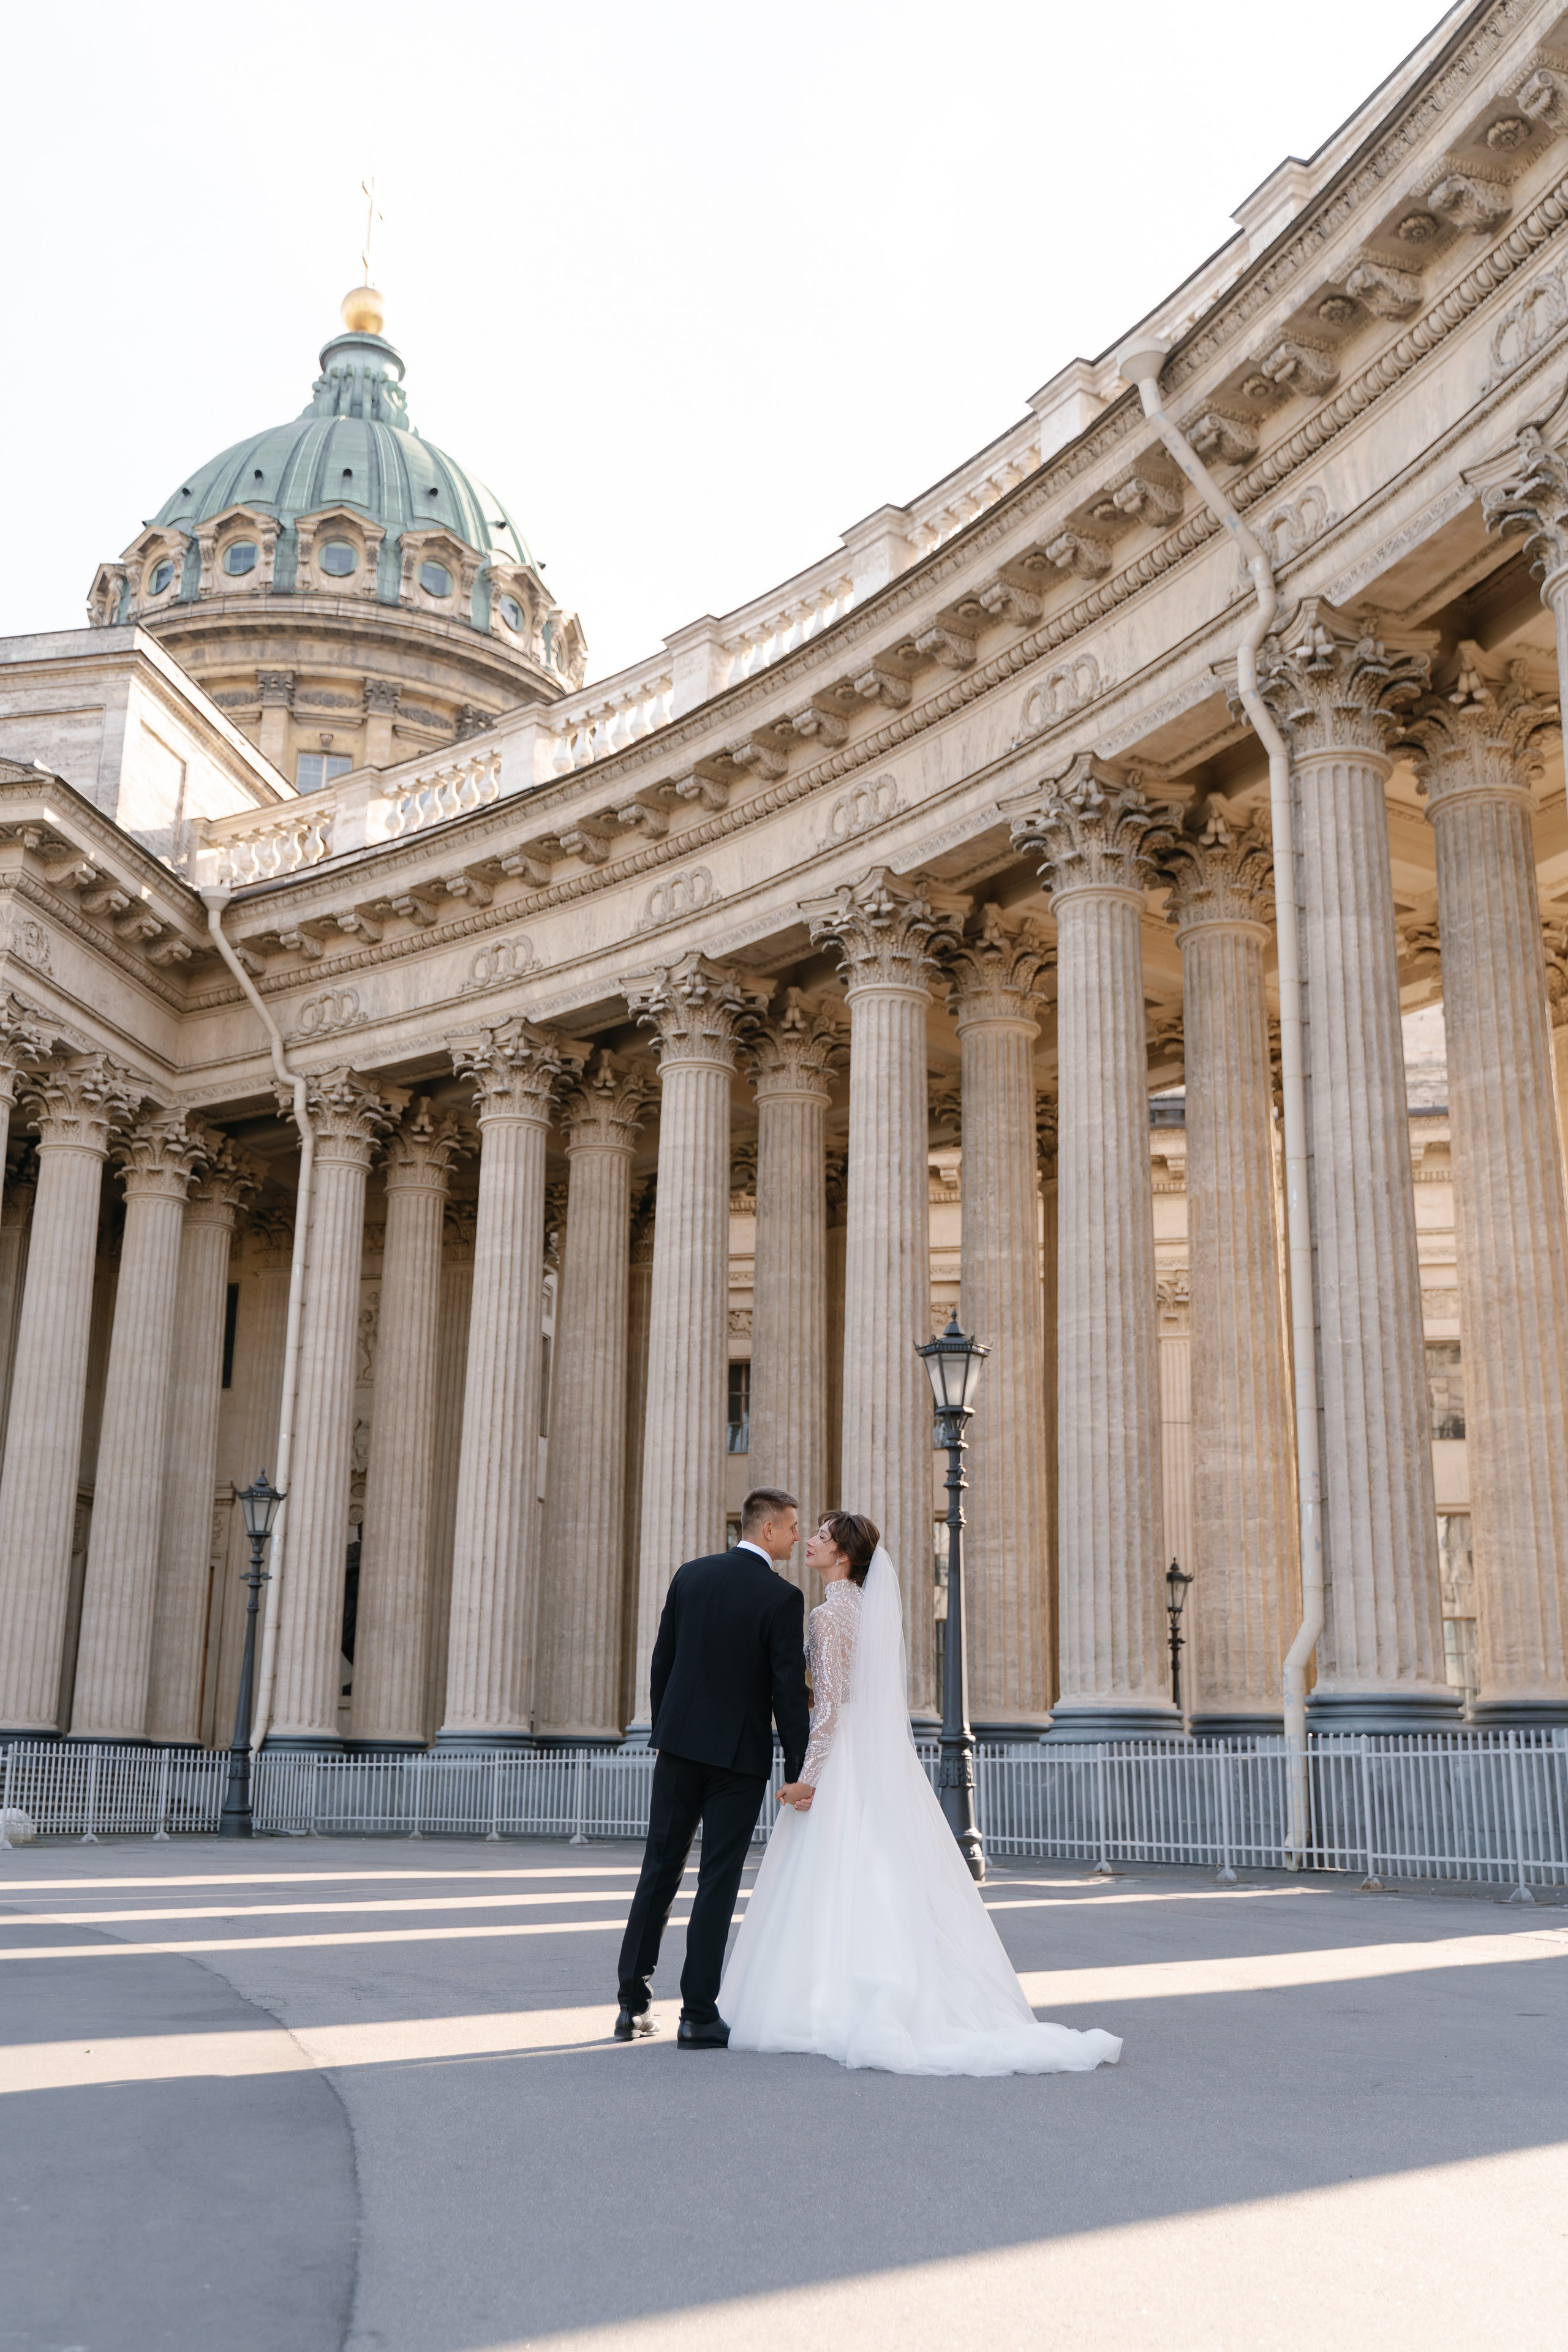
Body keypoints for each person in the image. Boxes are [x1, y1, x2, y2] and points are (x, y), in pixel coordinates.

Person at [720, 1512, 1124, 2077]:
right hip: (874, 1750)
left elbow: (831, 1707)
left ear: (841, 1556)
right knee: (879, 1870)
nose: (809, 1541)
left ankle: (822, 1996)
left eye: (821, 1536)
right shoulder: (869, 1611)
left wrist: (808, 1775)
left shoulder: (829, 1613)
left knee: (833, 1872)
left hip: (842, 1755)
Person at [614, 1487, 810, 2048]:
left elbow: (663, 1661)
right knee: (717, 1881)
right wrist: (799, 1771)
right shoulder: (781, 1596)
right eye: (792, 1525)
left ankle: (632, 2005)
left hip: (678, 1748)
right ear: (767, 1530)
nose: (797, 1535)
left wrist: (666, 1730)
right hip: (738, 1760)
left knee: (659, 1869)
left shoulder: (690, 1575)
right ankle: (698, 2014)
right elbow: (785, 1694)